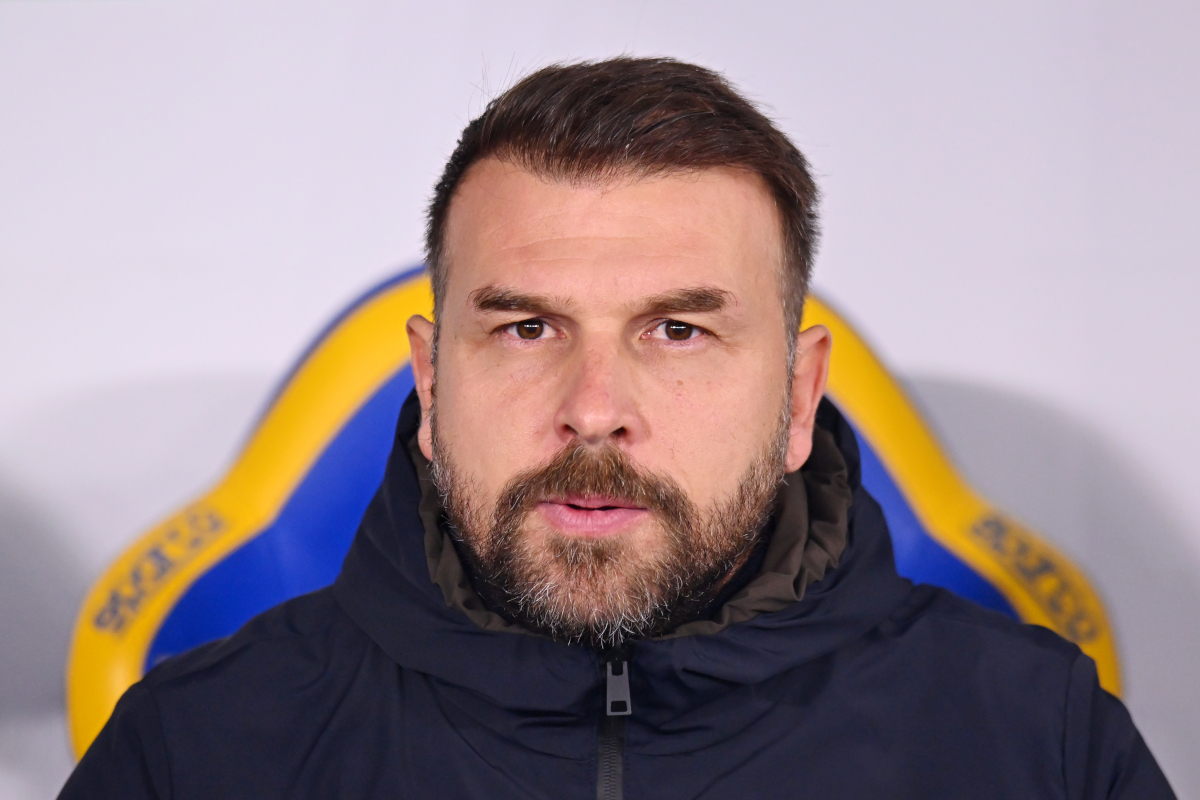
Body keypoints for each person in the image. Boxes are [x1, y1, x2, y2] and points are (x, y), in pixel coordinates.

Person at [59, 57, 1174, 800]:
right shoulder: (193, 752)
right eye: (530, 326)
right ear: (432, 382)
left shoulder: (1043, 744)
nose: (593, 407)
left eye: (678, 329)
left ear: (797, 398)